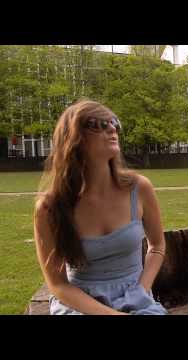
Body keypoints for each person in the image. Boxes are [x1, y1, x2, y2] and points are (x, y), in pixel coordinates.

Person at [34, 99, 168, 315]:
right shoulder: (50, 208)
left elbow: (158, 245)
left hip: (136, 299)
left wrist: (141, 290)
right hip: (80, 305)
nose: (112, 128)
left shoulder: (139, 188)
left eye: (114, 122)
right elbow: (58, 284)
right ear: (73, 138)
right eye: (99, 124)